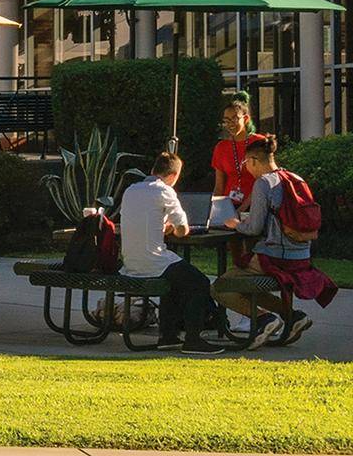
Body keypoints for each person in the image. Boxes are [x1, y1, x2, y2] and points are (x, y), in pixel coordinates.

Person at [217, 135, 335, 347]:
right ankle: (293, 316)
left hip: (275, 257)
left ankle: (264, 319)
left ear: (253, 160)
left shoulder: (263, 183)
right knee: (246, 284)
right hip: (301, 256)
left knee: (221, 286)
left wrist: (236, 225)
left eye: (246, 164)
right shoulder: (296, 178)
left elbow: (254, 228)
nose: (247, 168)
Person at [119, 152, 222, 355]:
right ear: (174, 176)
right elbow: (183, 230)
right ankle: (193, 339)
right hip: (154, 261)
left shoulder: (131, 190)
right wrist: (172, 228)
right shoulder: (165, 191)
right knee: (199, 282)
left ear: (152, 170)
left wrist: (161, 226)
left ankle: (168, 335)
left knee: (175, 280)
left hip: (130, 263)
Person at [210, 97, 259, 226]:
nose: (230, 124)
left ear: (246, 119)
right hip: (228, 206)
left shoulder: (258, 143)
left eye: (234, 119)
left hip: (255, 204)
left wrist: (242, 209)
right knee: (232, 244)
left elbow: (264, 180)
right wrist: (213, 210)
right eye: (226, 121)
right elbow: (219, 186)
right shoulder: (221, 147)